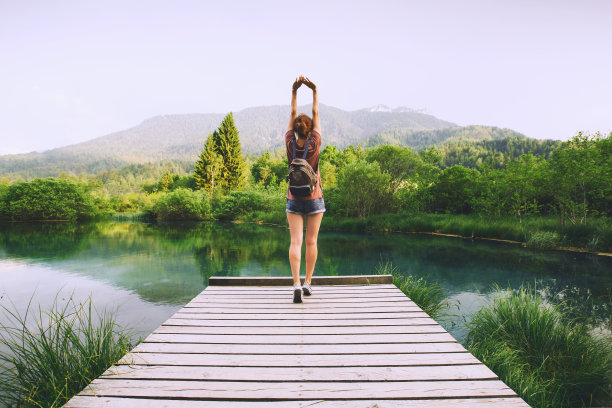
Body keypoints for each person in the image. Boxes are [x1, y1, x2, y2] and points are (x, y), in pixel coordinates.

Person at [286, 75, 325, 303]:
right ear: (310, 130)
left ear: (295, 129)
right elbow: (316, 113)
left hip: (293, 196)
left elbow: (292, 115)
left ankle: (296, 284)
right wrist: (314, 90)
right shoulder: (316, 141)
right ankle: (308, 282)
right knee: (311, 242)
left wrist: (294, 91)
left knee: (295, 242)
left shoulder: (290, 142)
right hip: (314, 197)